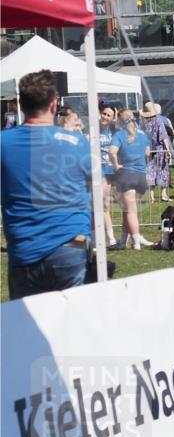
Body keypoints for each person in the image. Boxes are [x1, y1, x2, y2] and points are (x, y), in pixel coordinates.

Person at [1, 70, 93, 299]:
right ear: (54, 105)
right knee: (75, 325)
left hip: (25, 251)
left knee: (29, 329)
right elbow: (99, 190)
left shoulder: (4, 143)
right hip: (70, 246)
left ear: (20, 104)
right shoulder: (76, 143)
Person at [108, 109, 153, 249]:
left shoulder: (119, 135)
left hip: (126, 175)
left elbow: (111, 152)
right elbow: (147, 152)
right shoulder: (143, 135)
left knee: (130, 211)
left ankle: (136, 242)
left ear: (120, 120)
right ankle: (123, 241)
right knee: (127, 210)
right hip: (141, 176)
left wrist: (116, 165)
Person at [140, 102, 174, 202]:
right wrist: (168, 150)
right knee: (163, 171)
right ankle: (163, 195)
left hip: (148, 151)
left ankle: (151, 197)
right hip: (160, 150)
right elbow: (164, 137)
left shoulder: (143, 124)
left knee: (150, 172)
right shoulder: (159, 122)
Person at [98, 105, 118, 245]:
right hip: (93, 169)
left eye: (108, 115)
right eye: (103, 113)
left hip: (109, 170)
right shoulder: (90, 128)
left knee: (104, 205)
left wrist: (116, 121)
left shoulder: (114, 131)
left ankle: (111, 238)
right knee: (97, 205)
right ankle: (100, 239)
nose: (105, 116)